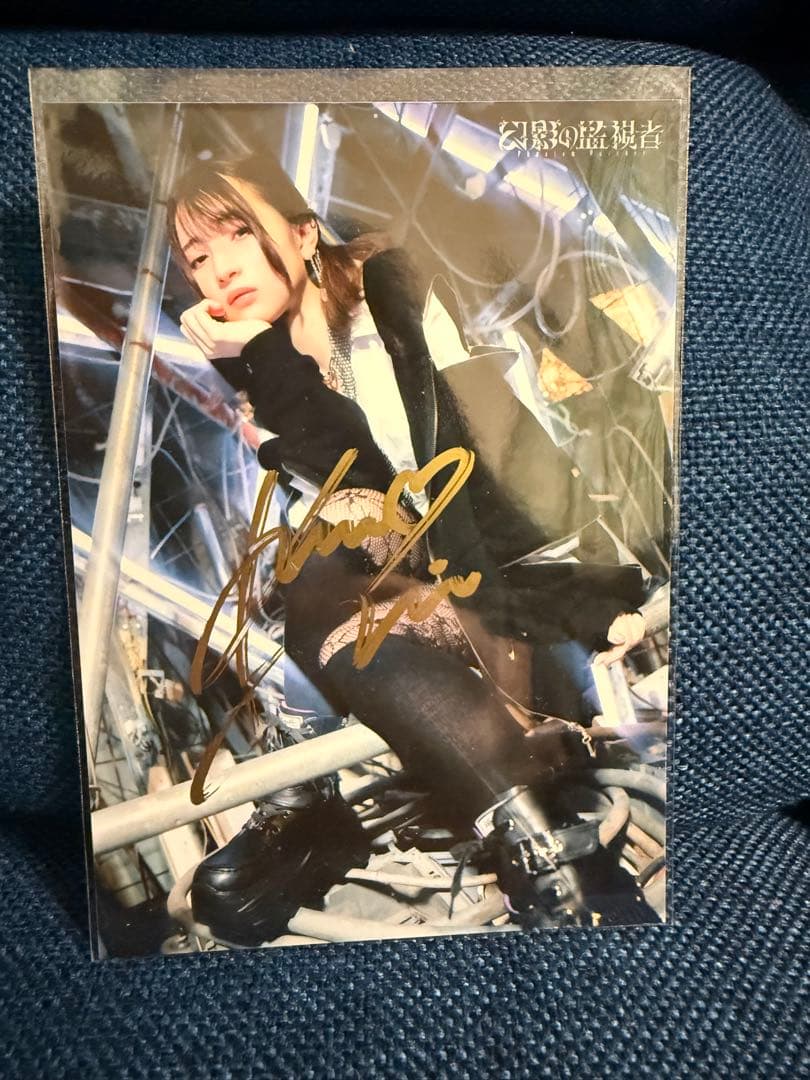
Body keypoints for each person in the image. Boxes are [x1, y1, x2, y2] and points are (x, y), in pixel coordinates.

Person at [167, 152, 656, 945]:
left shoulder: (395, 297)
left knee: (325, 548)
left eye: (238, 233)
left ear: (304, 234)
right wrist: (262, 364)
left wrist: (261, 354)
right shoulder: (271, 371)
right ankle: (539, 857)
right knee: (309, 556)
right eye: (196, 257)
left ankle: (327, 811)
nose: (218, 269)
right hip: (411, 649)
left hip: (519, 616)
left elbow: (386, 487)